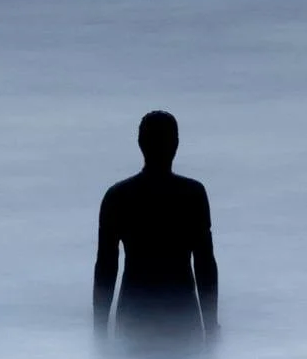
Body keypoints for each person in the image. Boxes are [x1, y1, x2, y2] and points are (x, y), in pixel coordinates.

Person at [93, 111, 218, 341]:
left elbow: (106, 268)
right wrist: (210, 326)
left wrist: (99, 330)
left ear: (141, 143)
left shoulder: (118, 196)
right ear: (176, 144)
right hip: (183, 316)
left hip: (134, 315)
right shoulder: (192, 195)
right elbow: (204, 264)